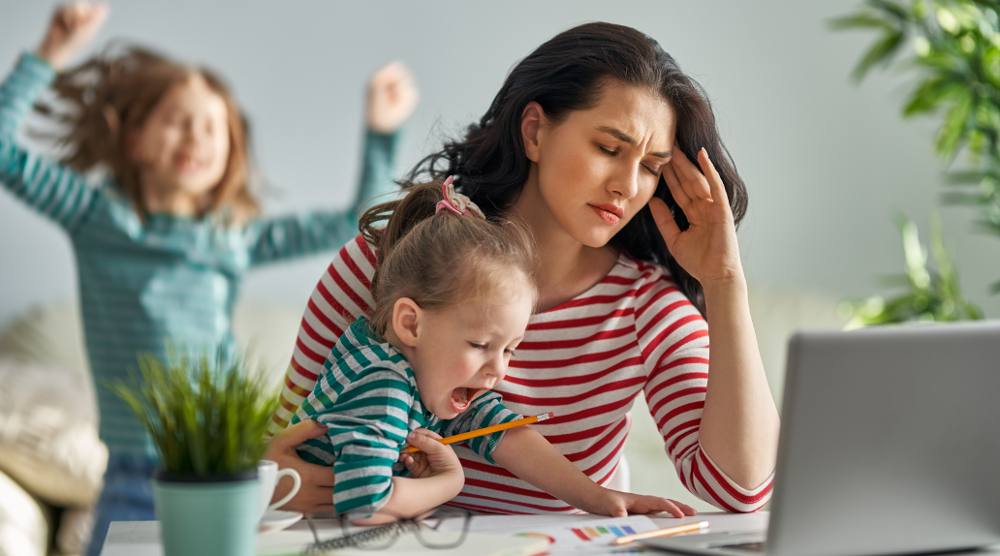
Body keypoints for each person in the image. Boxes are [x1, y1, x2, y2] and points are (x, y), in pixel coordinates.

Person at [266, 21, 780, 515]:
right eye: (608, 148)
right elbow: (276, 442)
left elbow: (740, 490)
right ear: (534, 132)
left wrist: (724, 282)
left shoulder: (646, 308)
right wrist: (276, 483)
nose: (628, 185)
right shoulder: (390, 260)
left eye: (651, 167)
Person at [0, 2, 417, 553]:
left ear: (229, 155)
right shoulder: (94, 216)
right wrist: (49, 54)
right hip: (132, 476)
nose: (196, 134)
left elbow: (354, 225)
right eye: (177, 119)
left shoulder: (231, 237)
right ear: (135, 142)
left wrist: (380, 132)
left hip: (229, 468)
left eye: (212, 126)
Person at [292, 178, 697, 523]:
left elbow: (503, 431)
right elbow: (365, 504)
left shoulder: (419, 369)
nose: (497, 372)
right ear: (411, 323)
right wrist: (448, 483)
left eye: (510, 351)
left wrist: (595, 497)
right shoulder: (383, 386)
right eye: (480, 345)